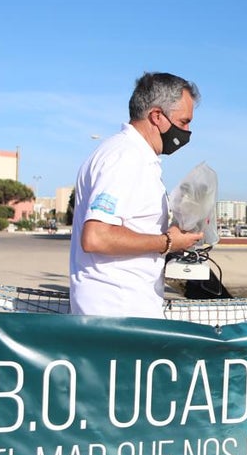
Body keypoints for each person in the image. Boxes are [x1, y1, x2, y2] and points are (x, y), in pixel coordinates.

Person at [69, 72, 205, 317]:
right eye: (184, 122)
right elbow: (97, 237)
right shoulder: (125, 157)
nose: (187, 131)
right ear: (156, 116)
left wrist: (175, 239)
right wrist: (169, 242)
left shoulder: (134, 156)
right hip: (115, 315)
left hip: (123, 310)